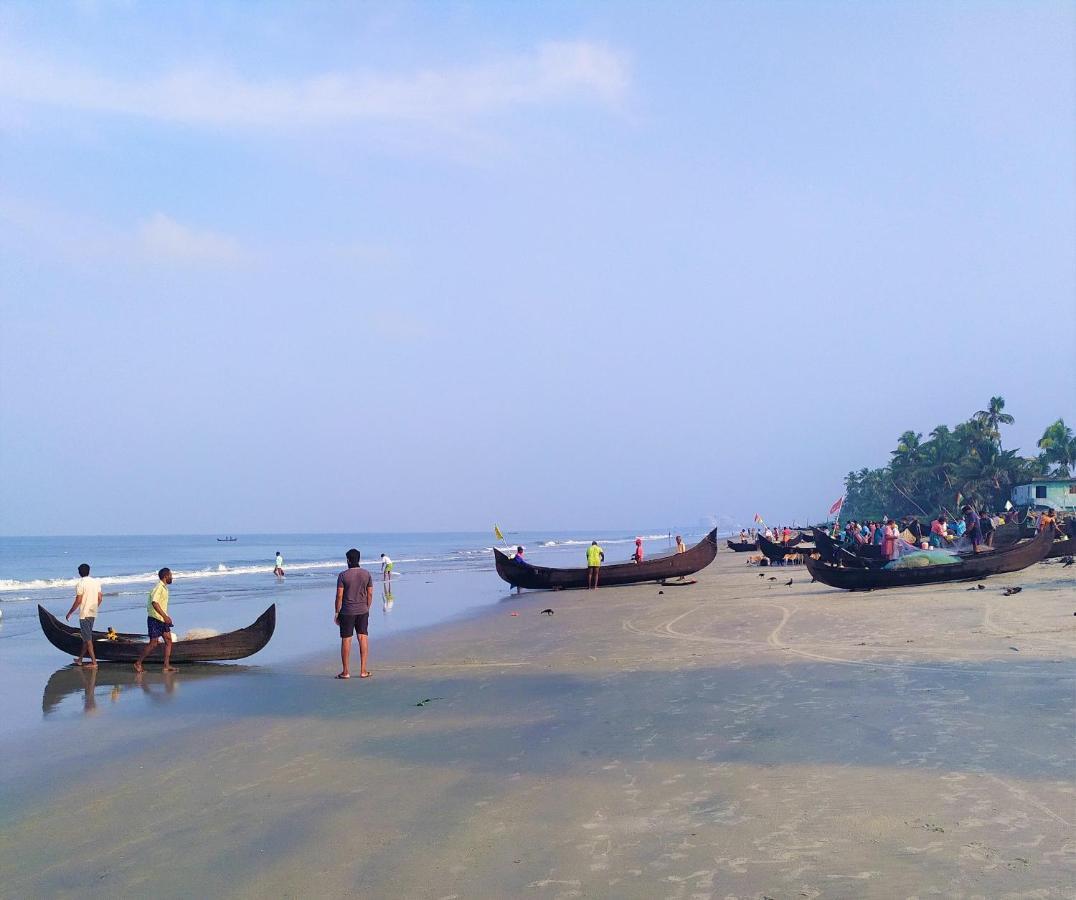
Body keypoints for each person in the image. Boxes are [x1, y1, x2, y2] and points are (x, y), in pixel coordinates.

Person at [334, 548, 373, 679]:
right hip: (363, 610)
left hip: (347, 611)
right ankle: (363, 670)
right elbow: (370, 593)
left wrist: (336, 612)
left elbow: (339, 595)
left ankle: (345, 672)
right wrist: (367, 607)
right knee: (363, 637)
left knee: (346, 639)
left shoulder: (343, 575)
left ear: (348, 560)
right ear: (359, 559)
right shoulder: (366, 574)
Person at [134, 568, 175, 674]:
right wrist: (165, 617)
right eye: (171, 575)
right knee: (153, 643)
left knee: (168, 640)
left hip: (162, 619)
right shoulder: (159, 588)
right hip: (155, 619)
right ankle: (138, 663)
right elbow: (154, 603)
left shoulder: (164, 588)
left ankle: (166, 665)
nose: (172, 577)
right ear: (166, 576)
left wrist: (166, 617)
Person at [65, 563, 102, 668]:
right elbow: (100, 598)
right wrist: (94, 607)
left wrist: (70, 612)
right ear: (89, 571)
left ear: (79, 573)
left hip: (84, 614)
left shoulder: (80, 583)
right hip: (92, 613)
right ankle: (80, 659)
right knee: (86, 637)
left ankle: (94, 662)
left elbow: (78, 600)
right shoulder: (96, 582)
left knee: (88, 639)